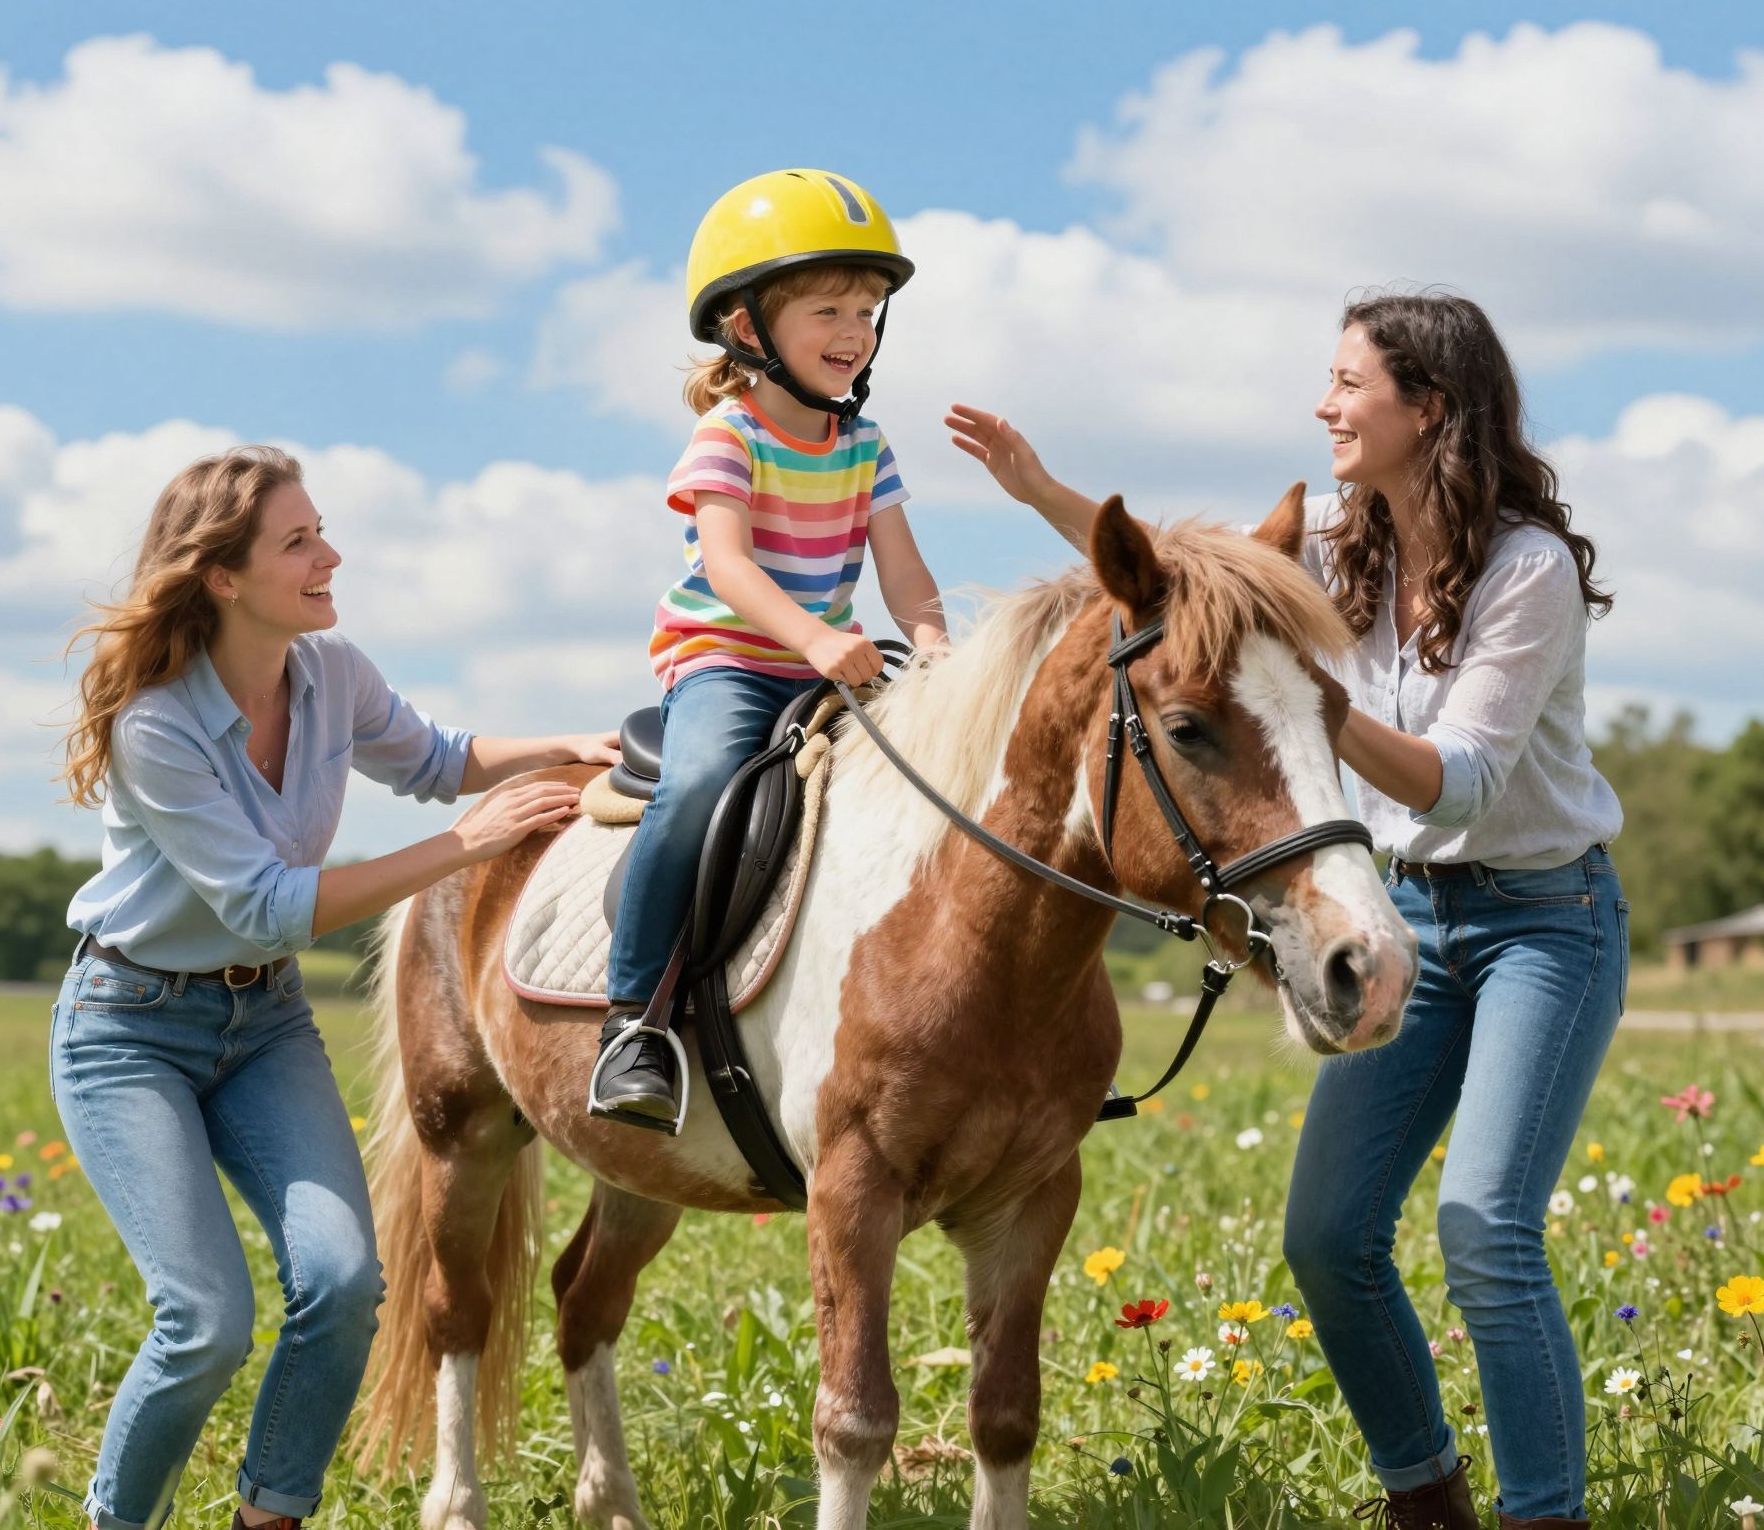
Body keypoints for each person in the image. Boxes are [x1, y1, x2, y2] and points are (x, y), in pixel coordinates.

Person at [948, 291, 1626, 1530]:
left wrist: (1293, 697)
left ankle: (1544, 1516)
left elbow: (1461, 784)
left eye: (1347, 383)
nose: (1322, 405)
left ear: (1426, 410)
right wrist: (1044, 493)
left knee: (1484, 1229)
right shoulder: (1327, 532)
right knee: (1327, 1239)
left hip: (1542, 919)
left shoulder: (1522, 571)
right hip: (1402, 913)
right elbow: (1167, 579)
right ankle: (1424, 1502)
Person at [54, 445, 619, 1530]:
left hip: (260, 1023)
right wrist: (464, 848)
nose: (331, 554)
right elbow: (265, 903)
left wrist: (562, 745)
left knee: (346, 1284)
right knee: (204, 1321)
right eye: (299, 540)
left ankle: (271, 1517)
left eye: (322, 530)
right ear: (222, 576)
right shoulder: (157, 727)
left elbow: (439, 756)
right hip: (126, 1030)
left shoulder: (331, 674)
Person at [591, 169, 948, 1131]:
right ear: (749, 330)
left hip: (831, 661)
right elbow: (731, 566)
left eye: (869, 311)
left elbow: (906, 571)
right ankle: (635, 1023)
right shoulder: (728, 434)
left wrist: (936, 651)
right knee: (703, 780)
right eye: (828, 309)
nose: (855, 331)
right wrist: (817, 638)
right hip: (731, 658)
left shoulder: (864, 442)